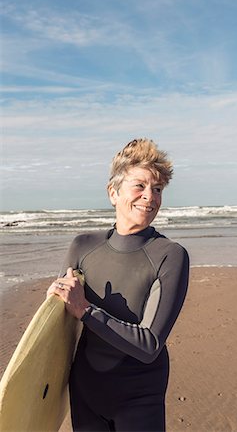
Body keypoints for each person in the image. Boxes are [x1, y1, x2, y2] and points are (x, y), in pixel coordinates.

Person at [47, 138, 189, 432]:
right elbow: (60, 322)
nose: (150, 197)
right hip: (85, 390)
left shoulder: (169, 255)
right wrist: (54, 301)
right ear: (113, 192)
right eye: (140, 186)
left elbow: (149, 345)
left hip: (139, 397)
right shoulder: (82, 246)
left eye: (158, 189)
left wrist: (86, 310)